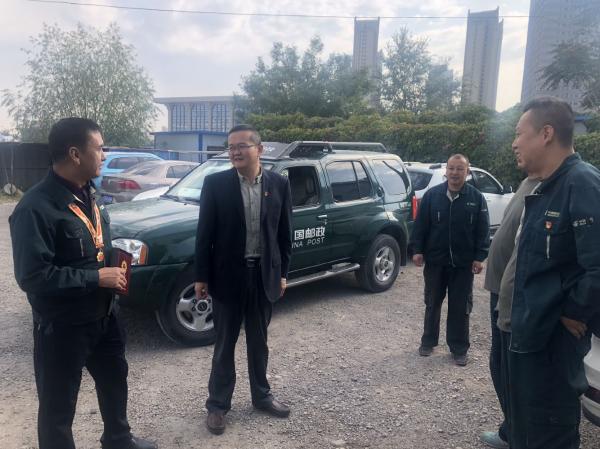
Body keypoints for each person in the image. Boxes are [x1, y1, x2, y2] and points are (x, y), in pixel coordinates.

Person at [9, 118, 156, 449]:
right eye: (99, 148)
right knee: (58, 407)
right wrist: (96, 277)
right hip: (63, 327)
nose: (104, 155)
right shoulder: (35, 208)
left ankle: (118, 439)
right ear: (75, 154)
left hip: (104, 316)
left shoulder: (91, 193)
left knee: (114, 382)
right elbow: (32, 276)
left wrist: (117, 261)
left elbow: (96, 243)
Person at [507, 97, 600, 449]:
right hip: (532, 339)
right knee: (527, 430)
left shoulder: (582, 183)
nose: (514, 143)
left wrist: (574, 311)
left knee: (550, 433)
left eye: (520, 133)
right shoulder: (547, 186)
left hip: (554, 347)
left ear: (546, 134)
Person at [195, 124, 293, 435]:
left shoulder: (279, 184)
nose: (234, 152)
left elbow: (284, 235)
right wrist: (201, 276)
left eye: (241, 146)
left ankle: (262, 396)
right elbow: (204, 235)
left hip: (264, 276)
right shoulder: (216, 184)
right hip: (227, 277)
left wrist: (283, 274)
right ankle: (217, 405)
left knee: (259, 342)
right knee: (224, 344)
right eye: (231, 147)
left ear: (259, 149)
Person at [411, 154, 490, 366]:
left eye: (459, 169)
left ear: (467, 172)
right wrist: (417, 250)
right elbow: (420, 225)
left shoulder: (476, 198)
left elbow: (483, 230)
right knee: (432, 302)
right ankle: (428, 341)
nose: (455, 173)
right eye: (451, 168)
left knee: (460, 307)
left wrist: (480, 257)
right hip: (436, 262)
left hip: (463, 264)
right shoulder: (432, 195)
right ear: (446, 171)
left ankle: (459, 348)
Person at [480, 174, 540, 449]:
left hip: (517, 297)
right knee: (500, 365)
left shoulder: (550, 185)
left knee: (511, 370)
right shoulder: (529, 182)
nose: (516, 151)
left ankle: (518, 435)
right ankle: (511, 429)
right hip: (501, 290)